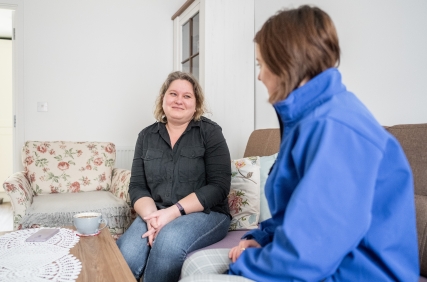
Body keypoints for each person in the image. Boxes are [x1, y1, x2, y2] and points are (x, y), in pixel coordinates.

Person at [180, 5, 419, 282]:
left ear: (286, 61)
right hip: (318, 262)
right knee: (196, 266)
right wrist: (260, 238)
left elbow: (308, 254)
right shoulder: (308, 121)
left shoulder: (337, 129)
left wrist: (246, 262)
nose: (259, 76)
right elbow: (297, 214)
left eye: (261, 65)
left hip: (351, 273)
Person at [116, 71, 232, 282]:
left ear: (196, 104)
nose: (179, 100)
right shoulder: (146, 136)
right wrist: (153, 219)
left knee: (168, 241)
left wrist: (172, 213)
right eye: (173, 94)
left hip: (207, 214)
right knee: (127, 253)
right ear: (163, 99)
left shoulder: (210, 133)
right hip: (156, 212)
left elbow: (219, 187)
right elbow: (137, 187)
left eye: (187, 96)